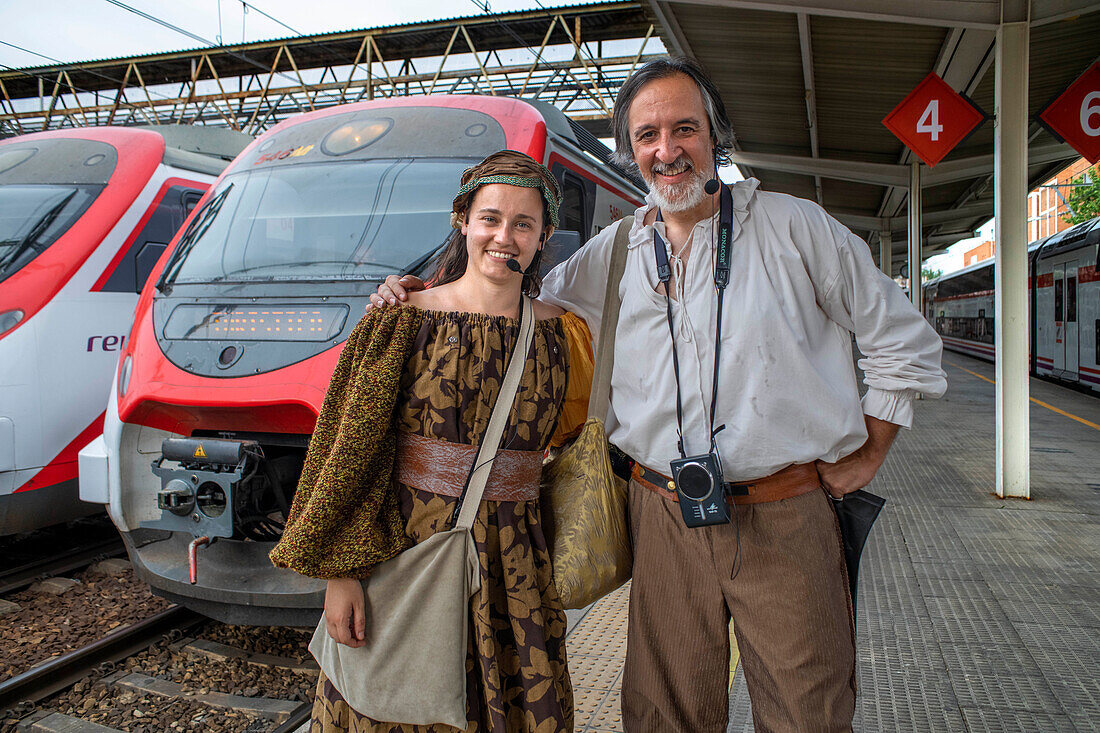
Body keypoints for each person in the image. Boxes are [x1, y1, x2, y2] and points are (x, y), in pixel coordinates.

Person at [371, 57, 947, 732]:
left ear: (714, 137)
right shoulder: (615, 251)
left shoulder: (797, 228)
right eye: (647, 135)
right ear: (631, 150)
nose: (666, 150)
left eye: (684, 129)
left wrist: (869, 453)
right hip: (661, 513)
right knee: (662, 713)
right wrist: (420, 293)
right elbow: (513, 304)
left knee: (808, 711)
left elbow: (901, 339)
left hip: (786, 512)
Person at [271, 150, 595, 732]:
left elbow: (569, 439)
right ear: (462, 220)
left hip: (515, 565)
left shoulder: (563, 335)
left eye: (523, 224)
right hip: (407, 551)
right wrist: (341, 574)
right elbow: (348, 454)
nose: (505, 236)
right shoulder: (401, 319)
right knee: (395, 704)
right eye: (490, 218)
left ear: (544, 234)